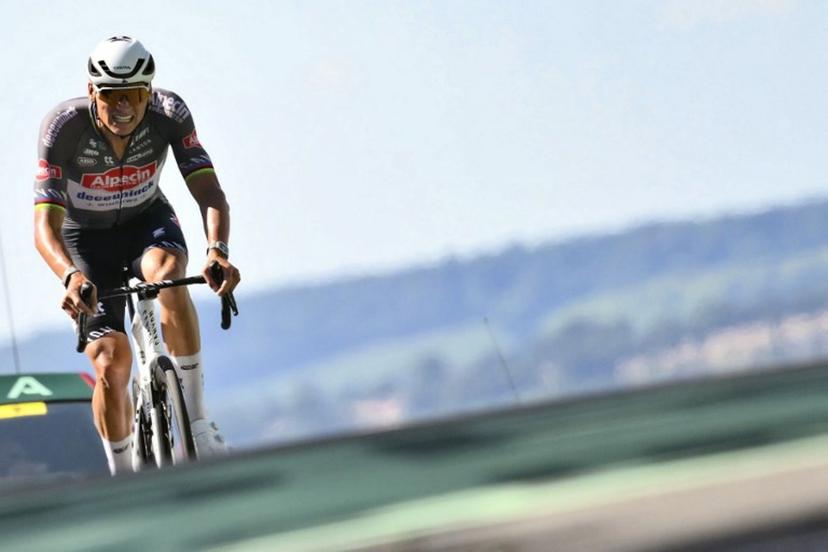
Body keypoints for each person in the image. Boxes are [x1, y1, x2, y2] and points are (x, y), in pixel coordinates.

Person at [33, 36, 241, 475]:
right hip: (85, 242)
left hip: (147, 222)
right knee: (112, 359)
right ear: (93, 92)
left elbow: (209, 191)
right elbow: (44, 227)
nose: (124, 108)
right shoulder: (63, 128)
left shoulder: (171, 114)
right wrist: (70, 277)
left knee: (166, 272)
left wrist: (217, 251)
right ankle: (121, 472)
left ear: (150, 92)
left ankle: (199, 424)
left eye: (135, 96)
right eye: (112, 97)